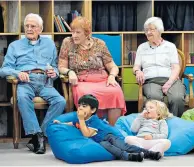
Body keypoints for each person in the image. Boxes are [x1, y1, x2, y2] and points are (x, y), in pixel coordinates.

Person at [0, 13, 66, 154]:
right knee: (22, 98)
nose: (29, 29)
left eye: (33, 26)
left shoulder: (49, 44)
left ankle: (39, 136)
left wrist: (54, 73)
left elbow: (54, 66)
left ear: (41, 29)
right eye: (27, 26)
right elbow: (4, 69)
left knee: (60, 101)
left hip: (45, 82)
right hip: (25, 81)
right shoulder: (15, 46)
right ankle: (37, 135)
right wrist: (18, 73)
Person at [58, 16, 126, 125]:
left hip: (102, 79)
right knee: (86, 96)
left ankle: (112, 130)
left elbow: (112, 66)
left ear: (87, 33)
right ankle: (88, 129)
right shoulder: (67, 42)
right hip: (81, 81)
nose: (74, 35)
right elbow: (61, 66)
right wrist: (69, 72)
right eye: (72, 32)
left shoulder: (100, 44)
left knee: (116, 92)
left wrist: (112, 76)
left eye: (78, 32)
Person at [54, 94, 162, 162]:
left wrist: (81, 119)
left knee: (124, 146)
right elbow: (72, 123)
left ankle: (149, 153)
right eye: (80, 106)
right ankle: (130, 157)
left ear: (92, 110)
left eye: (84, 106)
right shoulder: (79, 120)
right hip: (100, 141)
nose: (80, 108)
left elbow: (86, 133)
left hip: (108, 136)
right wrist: (60, 123)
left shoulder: (93, 120)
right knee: (114, 150)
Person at [133, 17, 186, 117]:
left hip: (171, 79)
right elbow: (136, 66)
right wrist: (137, 71)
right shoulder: (142, 47)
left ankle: (175, 123)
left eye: (151, 29)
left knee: (177, 98)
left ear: (159, 30)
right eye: (146, 30)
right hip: (151, 81)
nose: (148, 32)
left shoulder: (170, 46)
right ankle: (158, 123)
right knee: (154, 98)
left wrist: (170, 82)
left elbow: (176, 67)